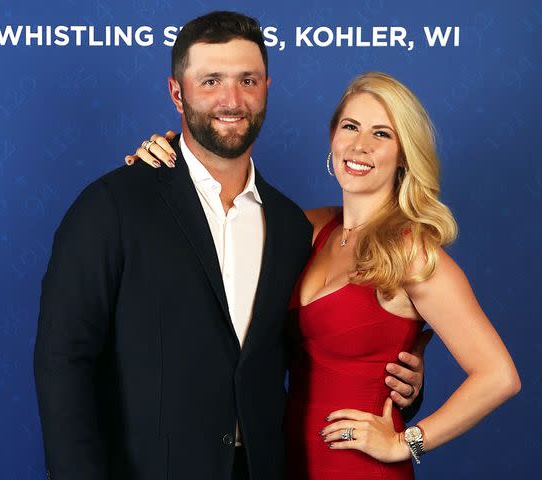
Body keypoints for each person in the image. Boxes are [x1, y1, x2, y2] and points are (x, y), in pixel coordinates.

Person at [34, 12, 424, 480]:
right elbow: (63, 363)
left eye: (248, 80)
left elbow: (317, 350)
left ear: (266, 88)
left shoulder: (291, 225)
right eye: (211, 80)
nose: (231, 99)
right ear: (178, 93)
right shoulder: (113, 206)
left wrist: (405, 381)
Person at [131, 71, 521, 479]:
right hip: (284, 459)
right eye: (350, 127)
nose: (360, 145)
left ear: (404, 154)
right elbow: (213, 240)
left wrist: (405, 443)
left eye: (382, 134)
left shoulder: (412, 252)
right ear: (333, 136)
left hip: (358, 467)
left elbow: (498, 376)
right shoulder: (310, 227)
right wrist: (165, 164)